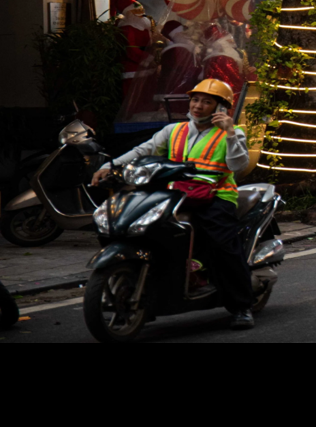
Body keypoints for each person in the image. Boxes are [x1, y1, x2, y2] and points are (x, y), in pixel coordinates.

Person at [91, 78, 256, 329]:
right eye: (195, 100)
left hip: (217, 196)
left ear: (220, 108)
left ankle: (242, 306)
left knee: (223, 245)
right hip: (176, 194)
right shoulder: (174, 130)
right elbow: (142, 151)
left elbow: (237, 166)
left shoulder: (233, 133)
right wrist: (109, 166)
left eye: (207, 102)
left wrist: (231, 133)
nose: (198, 106)